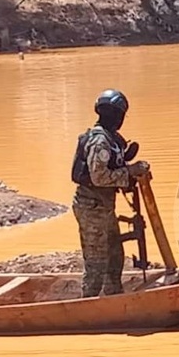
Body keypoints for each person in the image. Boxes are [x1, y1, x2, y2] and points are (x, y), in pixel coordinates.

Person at [70, 89, 150, 297]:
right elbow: (99, 177)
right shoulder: (100, 141)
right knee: (96, 261)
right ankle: (88, 306)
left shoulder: (111, 139)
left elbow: (111, 170)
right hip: (91, 206)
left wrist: (129, 171)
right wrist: (130, 172)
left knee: (115, 255)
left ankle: (113, 298)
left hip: (103, 206)